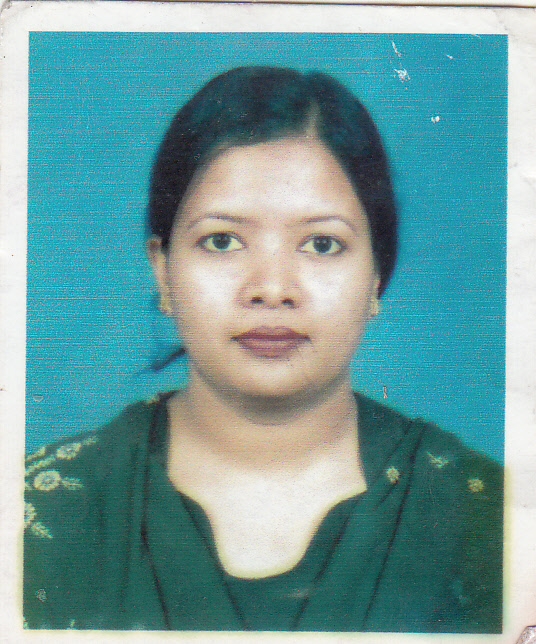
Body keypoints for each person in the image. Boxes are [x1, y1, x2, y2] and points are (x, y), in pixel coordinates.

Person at [23, 66, 502, 632]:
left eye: (321, 244)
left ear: (376, 277)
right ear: (164, 271)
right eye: (222, 241)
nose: (272, 288)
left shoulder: (487, 518)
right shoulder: (39, 512)